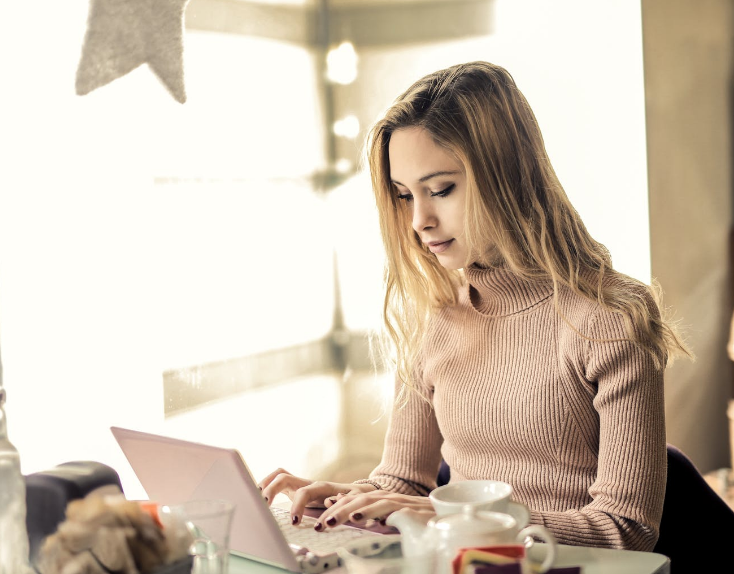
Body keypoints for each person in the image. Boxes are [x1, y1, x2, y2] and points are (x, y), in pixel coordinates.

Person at [260, 61, 692, 551]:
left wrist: (468, 519)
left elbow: (626, 529)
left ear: (505, 175)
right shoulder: (431, 316)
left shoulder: (611, 319)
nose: (420, 219)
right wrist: (344, 500)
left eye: (440, 190)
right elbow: (403, 484)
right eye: (404, 196)